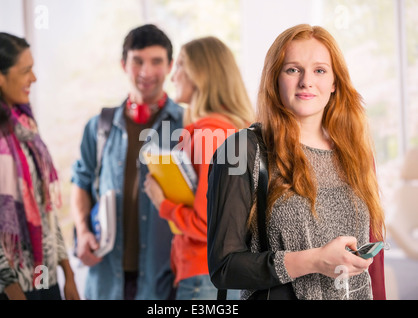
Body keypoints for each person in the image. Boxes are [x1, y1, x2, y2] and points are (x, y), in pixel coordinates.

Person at [207, 24, 386, 300]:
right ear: (275, 78)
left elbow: (372, 267)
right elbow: (224, 267)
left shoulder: (356, 152)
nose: (306, 81)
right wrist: (314, 261)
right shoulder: (244, 149)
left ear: (334, 82)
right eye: (293, 69)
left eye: (320, 70)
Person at [70, 24, 184, 300]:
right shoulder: (98, 128)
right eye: (138, 61)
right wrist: (83, 232)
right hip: (107, 278)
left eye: (156, 62)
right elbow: (81, 182)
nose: (146, 72)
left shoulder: (187, 126)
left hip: (165, 281)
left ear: (170, 66)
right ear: (124, 64)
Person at [0, 32, 80, 300]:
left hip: (41, 278)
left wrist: (69, 273)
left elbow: (45, 210)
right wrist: (13, 291)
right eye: (26, 70)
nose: (34, 78)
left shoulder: (26, 125)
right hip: (0, 289)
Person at [144, 36, 255, 299]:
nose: (173, 76)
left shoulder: (211, 136)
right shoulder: (229, 131)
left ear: (201, 74)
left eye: (180, 65)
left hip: (204, 275)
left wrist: (163, 203)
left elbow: (210, 226)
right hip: (216, 275)